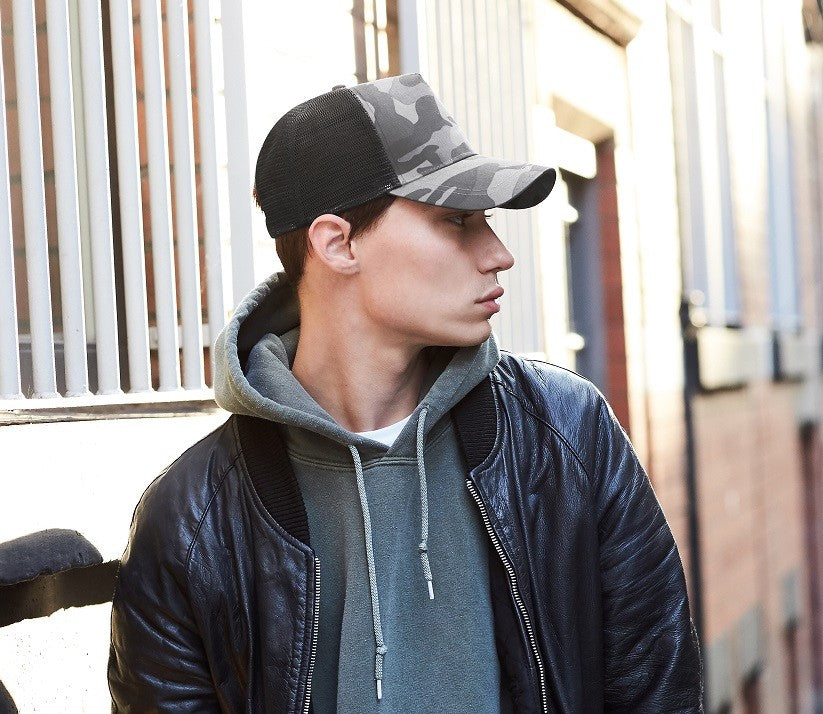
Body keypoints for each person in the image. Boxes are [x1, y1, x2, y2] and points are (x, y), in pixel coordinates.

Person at [108, 73, 702, 713]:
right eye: (458, 222)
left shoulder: (567, 436)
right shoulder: (194, 518)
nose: (498, 253)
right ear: (338, 243)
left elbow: (659, 693)